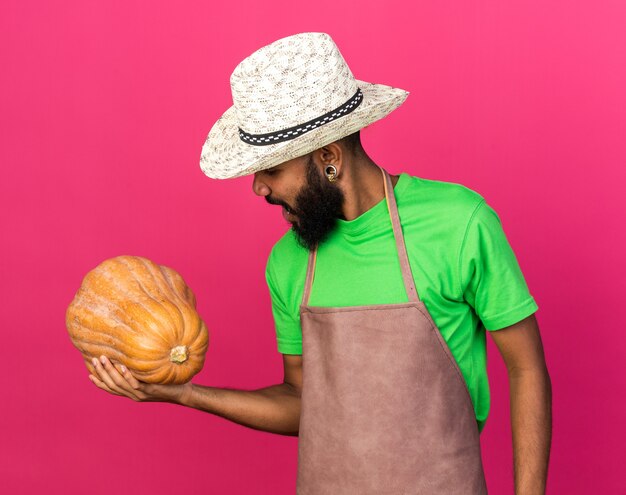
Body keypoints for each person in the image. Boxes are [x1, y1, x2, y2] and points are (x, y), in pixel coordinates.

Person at [89, 32, 552, 494]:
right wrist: (183, 394)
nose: (259, 189)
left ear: (328, 158)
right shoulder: (288, 261)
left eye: (271, 170)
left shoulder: (458, 223)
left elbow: (527, 369)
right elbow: (301, 400)